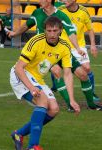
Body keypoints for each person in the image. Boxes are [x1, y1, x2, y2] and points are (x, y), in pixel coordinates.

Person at [8, 0, 102, 112]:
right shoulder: (37, 13)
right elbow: (26, 26)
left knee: (83, 74)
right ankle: (70, 105)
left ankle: (92, 104)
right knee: (57, 72)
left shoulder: (60, 15)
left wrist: (77, 48)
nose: (39, 2)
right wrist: (14, 33)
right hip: (43, 54)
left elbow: (71, 32)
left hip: (61, 51)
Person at [10, 16, 80, 150]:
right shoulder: (36, 41)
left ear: (60, 31)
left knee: (54, 109)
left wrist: (72, 100)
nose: (52, 34)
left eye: (55, 31)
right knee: (42, 100)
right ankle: (33, 146)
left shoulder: (65, 46)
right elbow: (19, 68)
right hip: (20, 75)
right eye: (49, 31)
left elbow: (67, 73)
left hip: (37, 78)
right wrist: (31, 88)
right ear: (45, 30)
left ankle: (18, 134)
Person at [56, 0, 100, 101]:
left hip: (79, 46)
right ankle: (57, 91)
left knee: (87, 68)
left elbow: (90, 29)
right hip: (63, 46)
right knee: (57, 70)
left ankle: (91, 93)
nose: (64, 0)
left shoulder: (84, 11)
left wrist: (93, 45)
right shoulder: (60, 11)